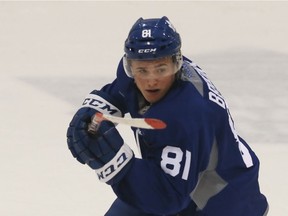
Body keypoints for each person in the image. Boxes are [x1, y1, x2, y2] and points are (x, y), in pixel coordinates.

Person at [66, 16, 269, 216]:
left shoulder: (184, 115)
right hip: (184, 180)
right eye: (142, 70)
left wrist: (114, 161)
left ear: (177, 63)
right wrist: (93, 111)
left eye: (161, 69)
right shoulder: (141, 72)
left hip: (225, 202)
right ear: (130, 66)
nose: (151, 80)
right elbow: (120, 90)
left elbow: (167, 199)